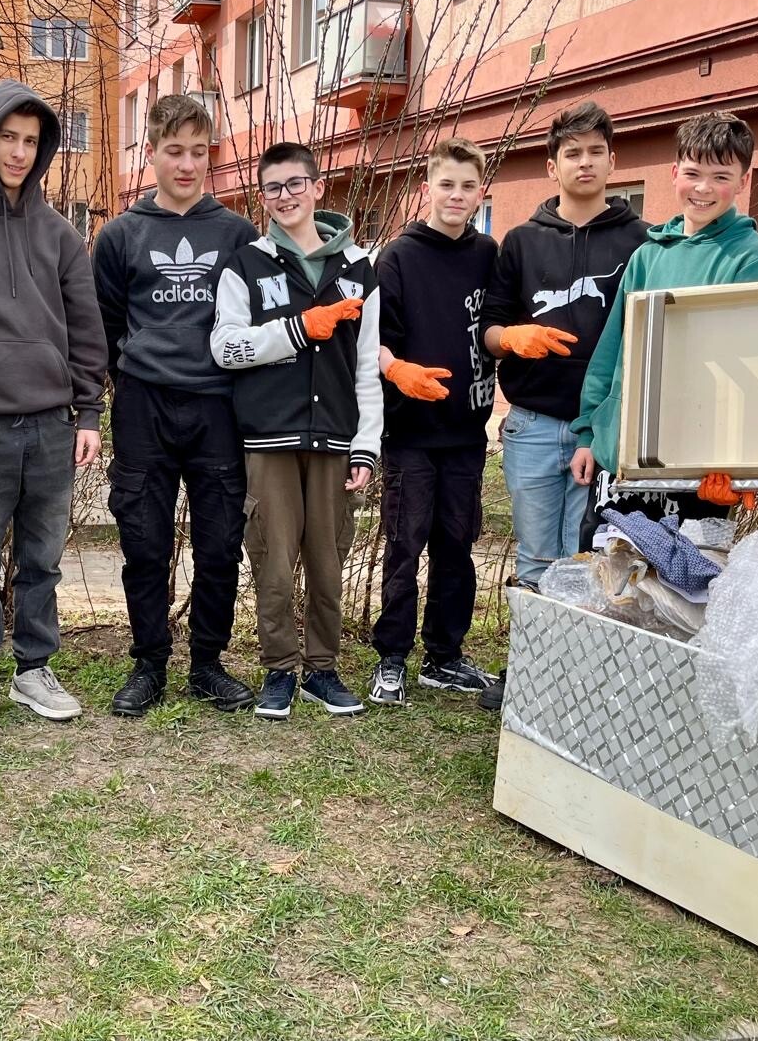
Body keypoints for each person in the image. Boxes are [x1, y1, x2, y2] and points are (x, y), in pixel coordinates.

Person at [0, 80, 108, 727]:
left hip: (52, 426)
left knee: (42, 560)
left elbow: (86, 328)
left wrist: (88, 412)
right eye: (7, 137)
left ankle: (34, 670)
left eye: (31, 141)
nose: (18, 152)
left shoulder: (59, 234)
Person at [94, 95, 258, 717]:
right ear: (152, 154)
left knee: (219, 544)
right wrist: (132, 379)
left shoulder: (237, 234)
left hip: (219, 406)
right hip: (145, 406)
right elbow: (107, 326)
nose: (186, 165)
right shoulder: (120, 235)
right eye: (173, 152)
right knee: (144, 543)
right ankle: (149, 664)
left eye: (197, 152)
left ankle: (208, 663)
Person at [211, 141, 381, 719]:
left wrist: (366, 447)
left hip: (335, 438)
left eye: (295, 184)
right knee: (274, 563)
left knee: (328, 562)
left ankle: (322, 670)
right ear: (262, 197)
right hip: (270, 439)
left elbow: (366, 367)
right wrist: (297, 329)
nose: (285, 196)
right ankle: (280, 669)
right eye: (273, 188)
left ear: (317, 187)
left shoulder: (359, 268)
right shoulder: (246, 265)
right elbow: (225, 348)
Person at [569, 111, 758, 527]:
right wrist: (589, 433)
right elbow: (612, 349)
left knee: (679, 569)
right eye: (693, 173)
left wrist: (738, 458)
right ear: (674, 173)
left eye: (721, 177)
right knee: (603, 564)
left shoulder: (753, 261)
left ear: (743, 181)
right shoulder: (648, 256)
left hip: (697, 465)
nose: (704, 188)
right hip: (622, 452)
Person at [483, 102, 648, 590]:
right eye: (573, 153)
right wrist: (511, 337)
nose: (585, 162)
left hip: (602, 428)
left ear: (612, 162)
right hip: (531, 423)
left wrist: (606, 427)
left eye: (596, 151)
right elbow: (489, 331)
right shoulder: (521, 241)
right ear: (552, 166)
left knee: (589, 564)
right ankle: (532, 645)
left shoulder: (641, 242)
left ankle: (576, 645)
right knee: (534, 560)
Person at [368, 137, 503, 710]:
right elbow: (373, 341)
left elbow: (499, 322)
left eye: (468, 186)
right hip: (410, 434)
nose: (456, 195)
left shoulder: (488, 254)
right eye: (446, 184)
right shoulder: (398, 257)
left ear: (480, 192)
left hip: (466, 431)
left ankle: (444, 656)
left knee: (457, 547)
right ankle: (392, 659)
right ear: (427, 188)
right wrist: (396, 369)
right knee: (404, 546)